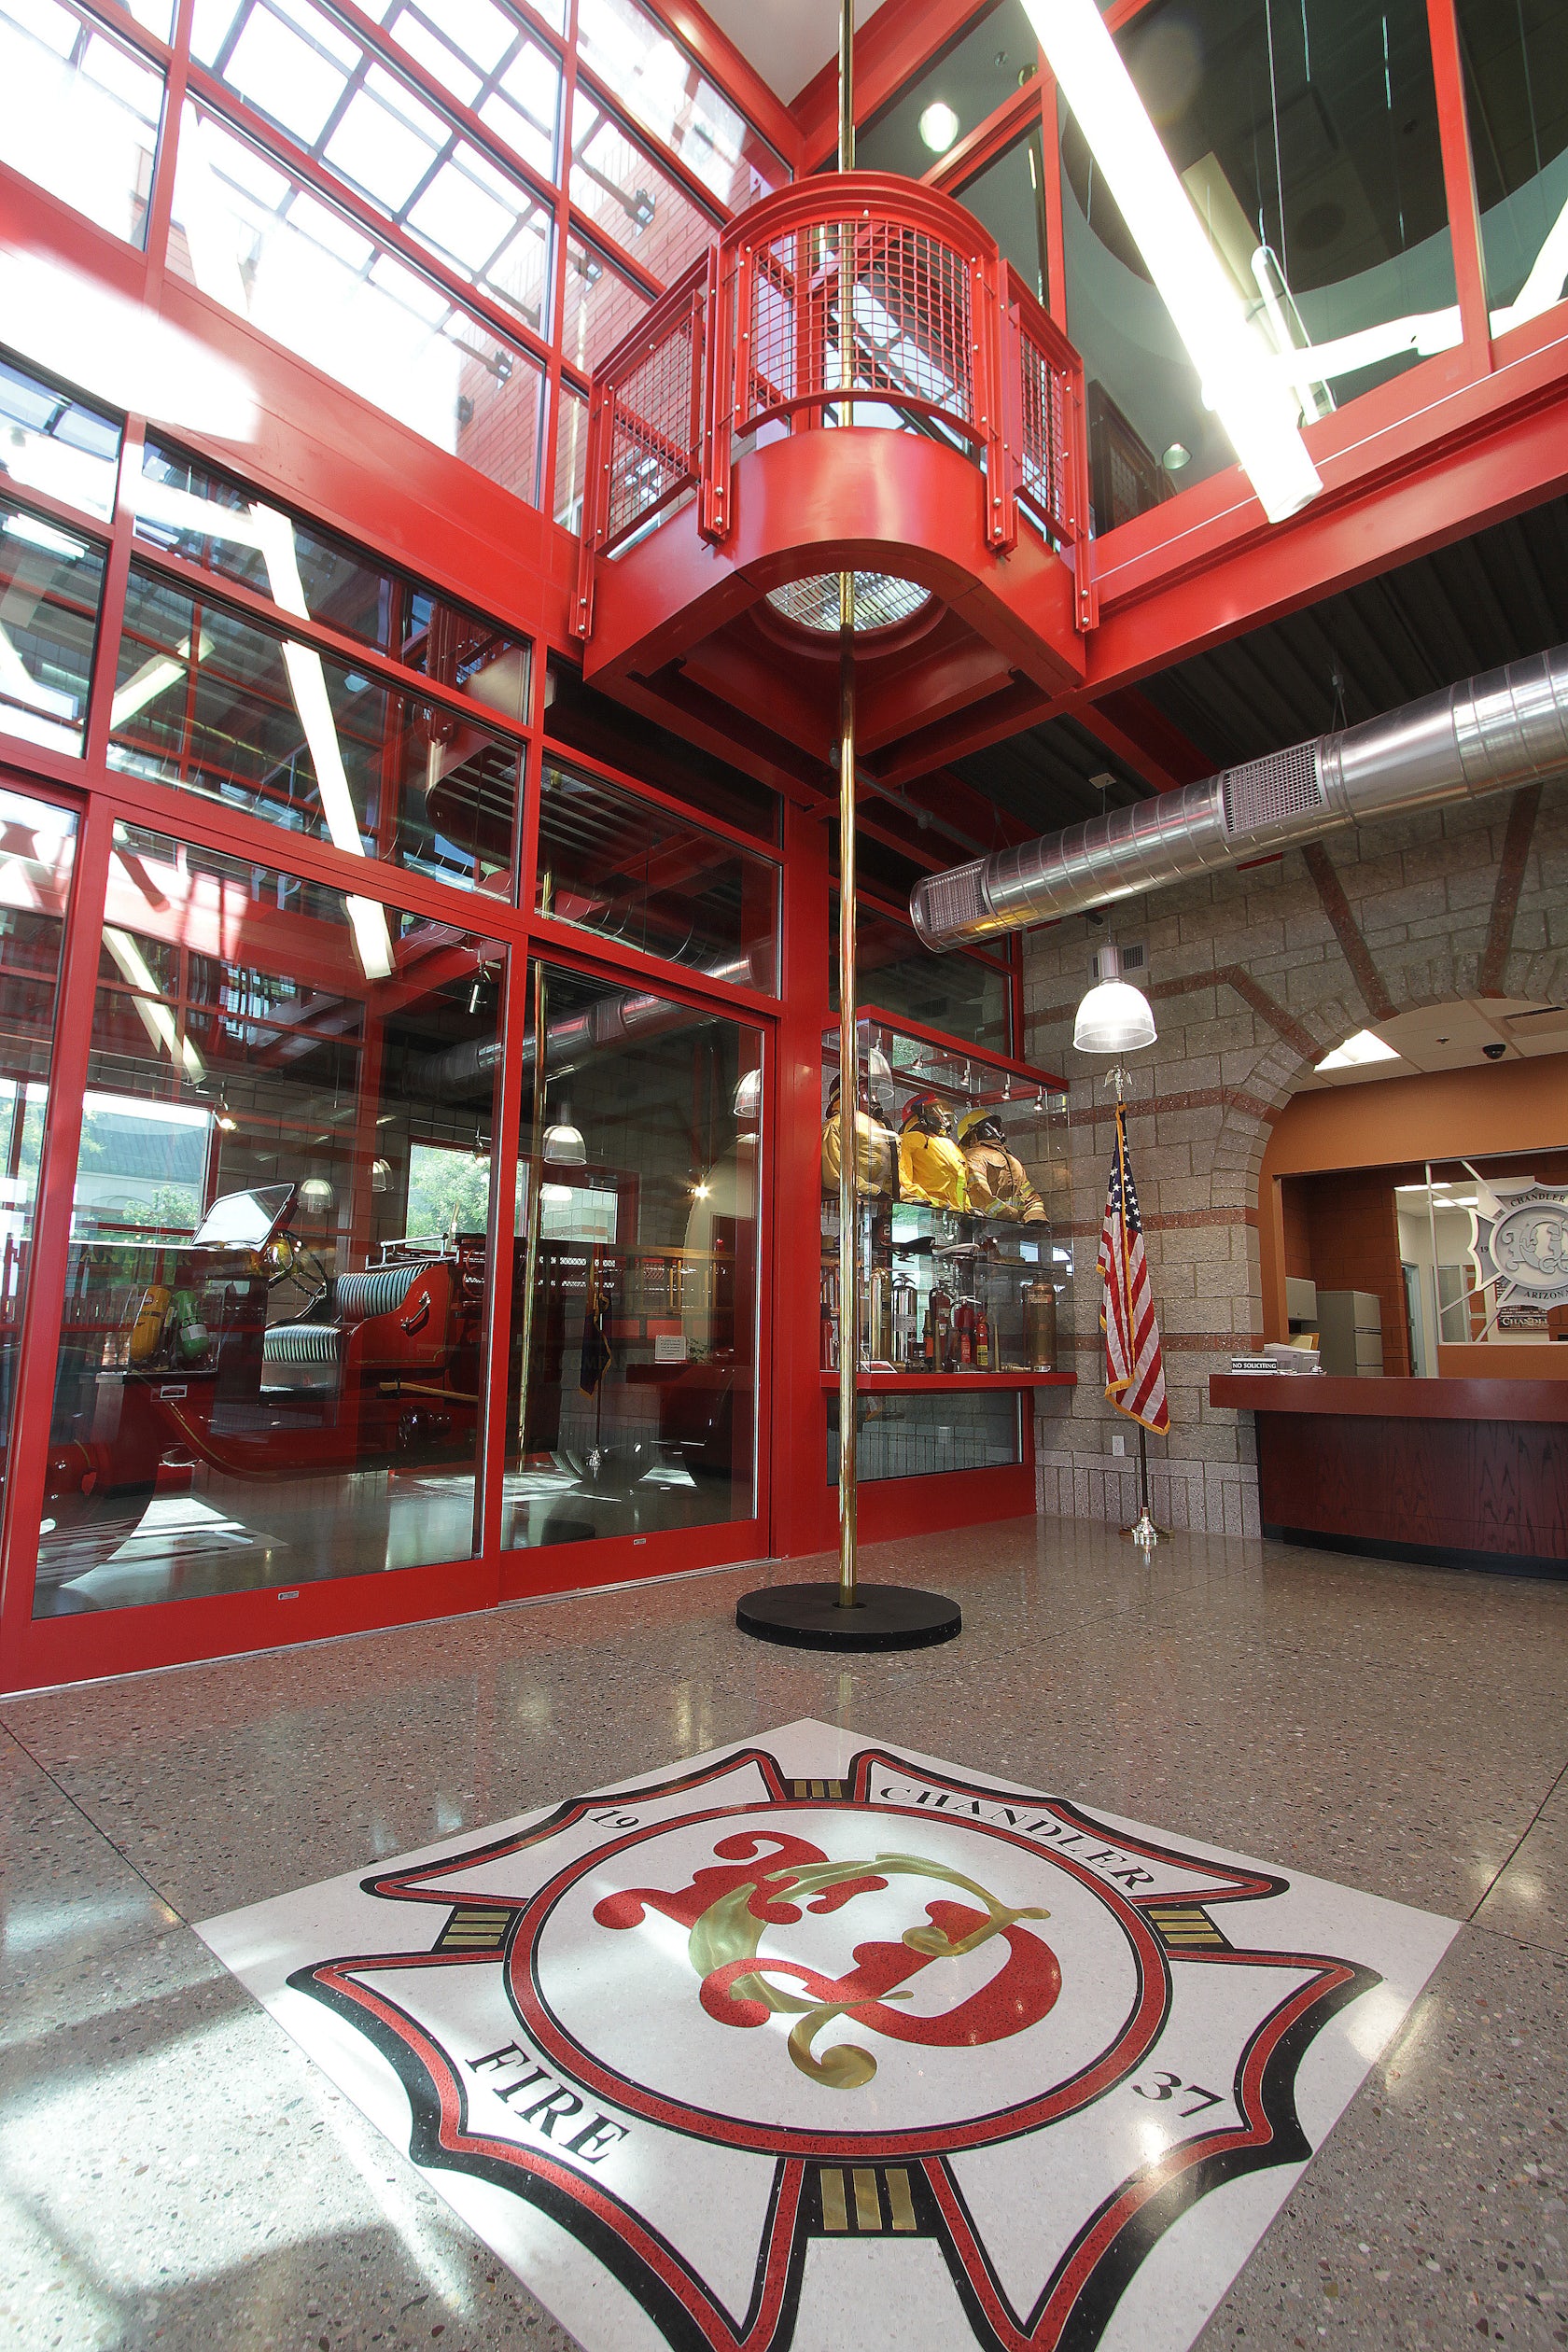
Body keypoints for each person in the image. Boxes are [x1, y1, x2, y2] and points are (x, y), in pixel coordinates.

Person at [958, 1108, 1048, 1223]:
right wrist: (1018, 1218)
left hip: (1002, 1228)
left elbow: (1032, 1199)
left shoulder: (1012, 1161)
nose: (996, 1131)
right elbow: (979, 1194)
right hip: (987, 1228)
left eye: (997, 1126)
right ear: (973, 1134)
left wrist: (1035, 1217)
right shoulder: (974, 1157)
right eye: (989, 1127)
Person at [820, 1075, 900, 1200]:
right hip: (850, 1203)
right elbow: (833, 1171)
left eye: (874, 1092)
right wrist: (868, 1190)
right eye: (867, 1091)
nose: (873, 1097)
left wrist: (900, 1195)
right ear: (850, 1095)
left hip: (876, 1200)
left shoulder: (882, 1129)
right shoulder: (838, 1124)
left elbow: (894, 1173)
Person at [897, 1091, 969, 1212]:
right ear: (919, 1117)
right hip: (924, 1213)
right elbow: (903, 1180)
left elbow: (961, 1185)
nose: (942, 1117)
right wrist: (927, 1201)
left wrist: (967, 1208)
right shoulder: (909, 1140)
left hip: (956, 1216)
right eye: (934, 1111)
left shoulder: (952, 1147)